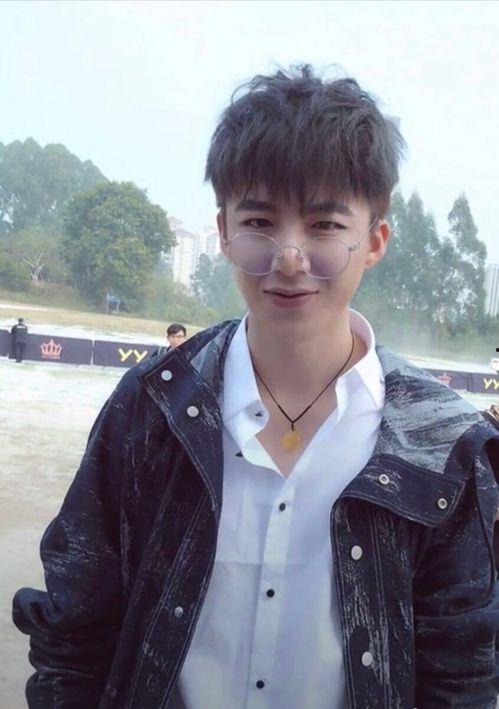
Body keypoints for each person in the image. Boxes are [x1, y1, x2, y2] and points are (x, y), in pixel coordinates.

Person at [13, 65, 499, 708]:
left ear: (374, 240)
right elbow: (75, 632)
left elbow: (460, 676)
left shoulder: (444, 446)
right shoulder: (149, 408)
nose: (289, 257)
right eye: (261, 222)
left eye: (324, 226)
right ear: (223, 230)